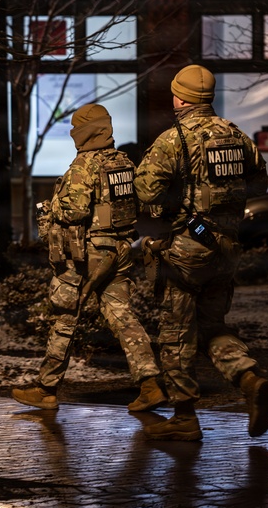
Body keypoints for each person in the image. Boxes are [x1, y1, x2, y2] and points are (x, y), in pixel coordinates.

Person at [134, 65, 268, 441]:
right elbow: (259, 184)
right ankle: (249, 378)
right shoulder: (236, 135)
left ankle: (184, 415)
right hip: (226, 249)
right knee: (213, 325)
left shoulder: (173, 139)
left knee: (176, 333)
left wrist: (178, 201)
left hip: (186, 252)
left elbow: (145, 192)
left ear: (181, 97)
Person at [12, 103, 166, 413]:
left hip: (87, 255)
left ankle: (46, 389)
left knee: (65, 316)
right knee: (123, 316)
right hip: (121, 249)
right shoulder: (123, 162)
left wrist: (49, 209)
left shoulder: (84, 165)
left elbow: (75, 211)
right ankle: (150, 384)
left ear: (83, 134)